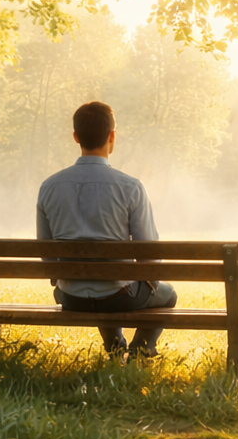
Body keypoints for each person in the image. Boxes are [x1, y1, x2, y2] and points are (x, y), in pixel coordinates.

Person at [36, 101, 176, 357]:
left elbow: (47, 255)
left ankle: (114, 348)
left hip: (70, 298)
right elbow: (149, 254)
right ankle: (142, 351)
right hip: (119, 296)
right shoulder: (131, 187)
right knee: (167, 295)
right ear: (112, 136)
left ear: (76, 137)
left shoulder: (49, 187)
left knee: (104, 281)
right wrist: (150, 282)